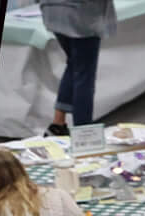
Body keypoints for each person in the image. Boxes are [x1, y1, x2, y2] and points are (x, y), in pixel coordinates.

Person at [40, 0, 115, 133]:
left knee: (75, 64)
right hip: (81, 13)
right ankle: (83, 133)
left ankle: (58, 124)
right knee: (85, 75)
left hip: (52, 9)